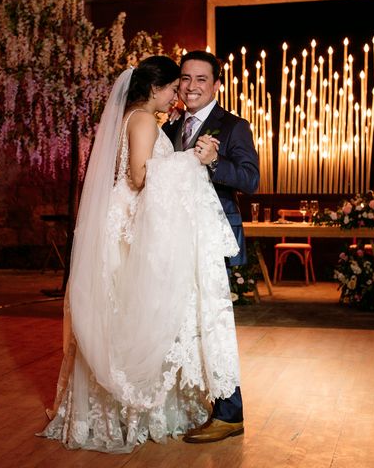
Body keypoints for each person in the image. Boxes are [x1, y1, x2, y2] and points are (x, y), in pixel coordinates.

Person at [39, 56, 241, 453]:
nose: (177, 94)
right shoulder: (145, 120)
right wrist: (187, 163)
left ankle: (117, 411)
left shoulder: (135, 117)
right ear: (156, 87)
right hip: (133, 222)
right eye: (173, 86)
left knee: (123, 312)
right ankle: (129, 410)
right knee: (136, 313)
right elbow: (137, 175)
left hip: (130, 218)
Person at [162, 50, 260, 443]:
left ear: (217, 84)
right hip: (173, 242)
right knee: (181, 325)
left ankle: (230, 413)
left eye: (201, 79)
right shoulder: (170, 128)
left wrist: (215, 162)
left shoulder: (233, 126)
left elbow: (250, 180)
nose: (191, 86)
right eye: (185, 79)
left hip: (212, 244)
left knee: (215, 324)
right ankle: (183, 403)